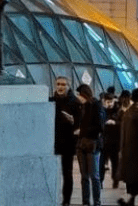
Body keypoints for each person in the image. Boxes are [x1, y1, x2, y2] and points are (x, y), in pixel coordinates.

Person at [51, 76, 82, 206]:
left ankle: (66, 200)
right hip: (53, 142)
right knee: (53, 172)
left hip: (68, 143)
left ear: (68, 86)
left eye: (63, 84)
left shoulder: (74, 102)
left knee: (67, 173)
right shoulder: (51, 101)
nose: (60, 87)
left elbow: (80, 124)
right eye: (58, 84)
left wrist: (73, 122)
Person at [76, 83, 105, 206]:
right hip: (81, 144)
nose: (78, 98)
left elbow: (100, 127)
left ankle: (97, 202)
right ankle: (85, 201)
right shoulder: (82, 107)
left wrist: (82, 131)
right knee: (84, 177)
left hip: (92, 144)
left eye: (79, 95)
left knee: (94, 176)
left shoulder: (96, 106)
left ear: (84, 95)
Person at [102, 92, 121, 189]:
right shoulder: (102, 110)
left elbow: (122, 123)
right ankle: (100, 181)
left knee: (115, 163)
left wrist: (115, 122)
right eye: (107, 102)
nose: (109, 104)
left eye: (111, 102)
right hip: (104, 141)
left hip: (115, 142)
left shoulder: (118, 111)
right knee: (101, 162)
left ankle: (115, 180)